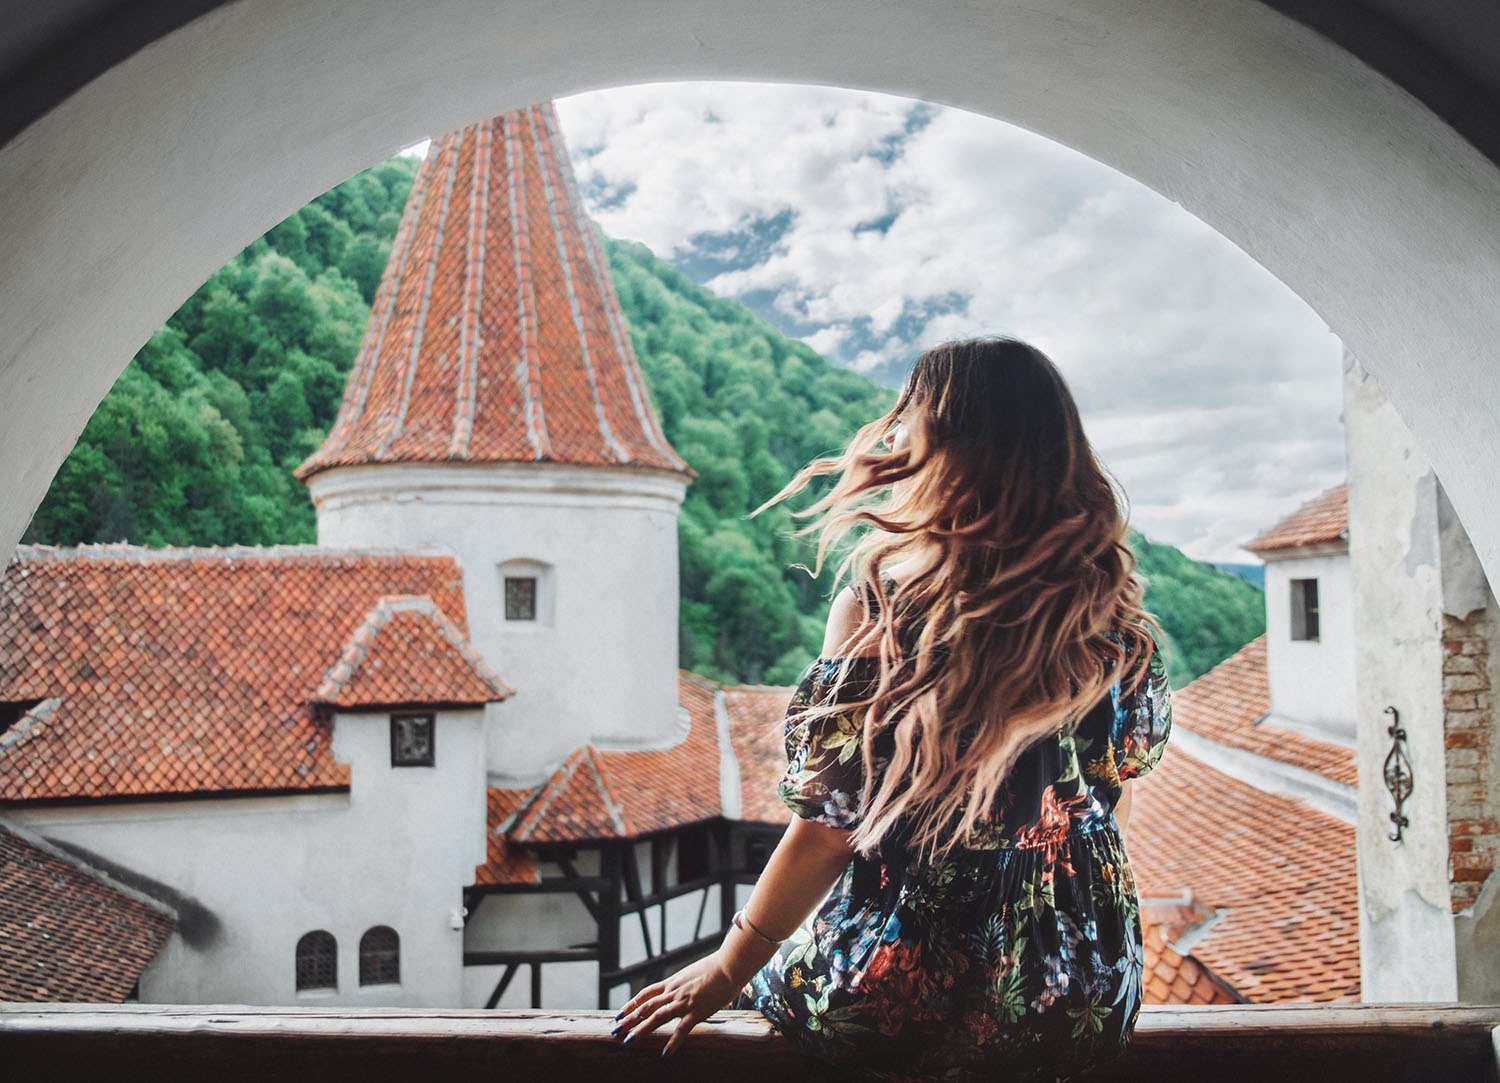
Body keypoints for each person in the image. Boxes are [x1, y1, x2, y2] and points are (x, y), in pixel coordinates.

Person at [609, 337, 1171, 1080]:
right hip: (1085, 984)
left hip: (914, 987)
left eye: (910, 416)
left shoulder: (885, 610)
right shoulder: (1113, 616)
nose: (893, 431)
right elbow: (1110, 796)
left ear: (946, 447)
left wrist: (728, 966)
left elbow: (829, 832)